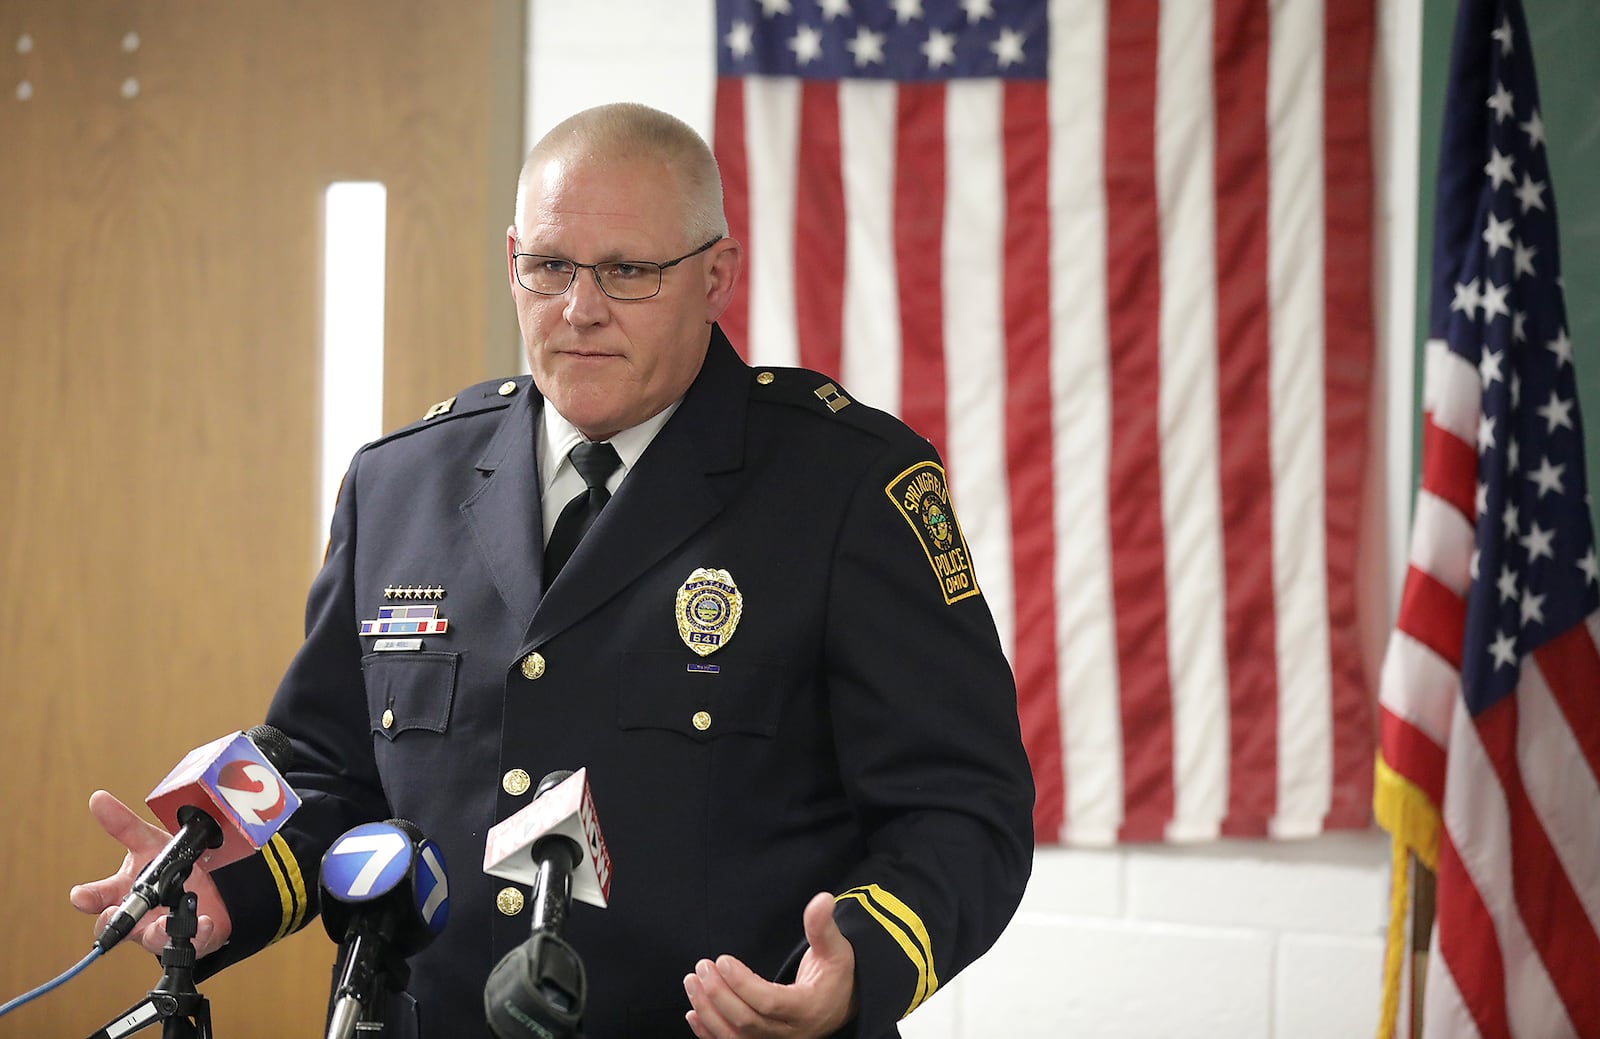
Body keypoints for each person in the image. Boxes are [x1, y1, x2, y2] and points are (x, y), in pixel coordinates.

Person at [71, 102, 1034, 1039]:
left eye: (628, 272)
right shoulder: (399, 483)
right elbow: (333, 767)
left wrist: (858, 965)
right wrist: (227, 885)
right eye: (551, 266)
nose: (581, 309)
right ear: (511, 261)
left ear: (717, 276)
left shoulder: (846, 487)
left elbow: (962, 807)